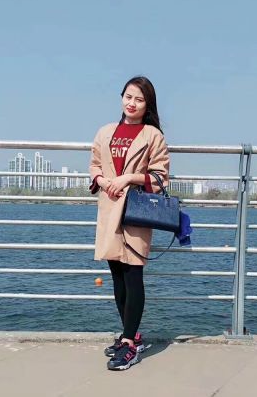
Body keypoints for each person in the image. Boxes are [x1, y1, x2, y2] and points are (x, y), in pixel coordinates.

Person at [88, 76, 170, 371]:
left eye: (139, 99)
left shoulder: (152, 135)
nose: (132, 103)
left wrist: (128, 178)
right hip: (110, 208)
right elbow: (95, 165)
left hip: (136, 210)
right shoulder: (105, 131)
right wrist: (102, 180)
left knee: (133, 273)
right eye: (128, 97)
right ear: (121, 97)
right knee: (117, 275)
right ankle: (130, 334)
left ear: (148, 104)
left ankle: (129, 344)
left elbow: (160, 177)